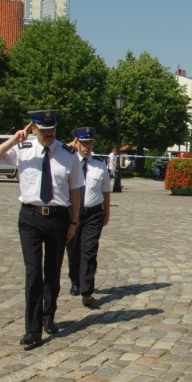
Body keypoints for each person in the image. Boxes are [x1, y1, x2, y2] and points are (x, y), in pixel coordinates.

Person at [0, 109, 83, 349]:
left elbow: (75, 190)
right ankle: (33, 329)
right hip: (30, 217)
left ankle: (49, 315)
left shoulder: (69, 154)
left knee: (52, 270)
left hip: (59, 218)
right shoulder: (23, 149)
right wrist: (14, 139)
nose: (48, 134)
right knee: (32, 273)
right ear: (33, 128)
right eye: (43, 130)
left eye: (52, 130)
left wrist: (74, 222)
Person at [66, 127, 111, 309]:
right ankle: (75, 280)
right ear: (76, 142)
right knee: (73, 250)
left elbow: (106, 190)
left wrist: (107, 212)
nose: (87, 147)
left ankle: (87, 291)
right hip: (72, 214)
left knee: (89, 251)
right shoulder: (68, 161)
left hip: (93, 213)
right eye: (84, 143)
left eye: (90, 143)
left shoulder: (99, 165)